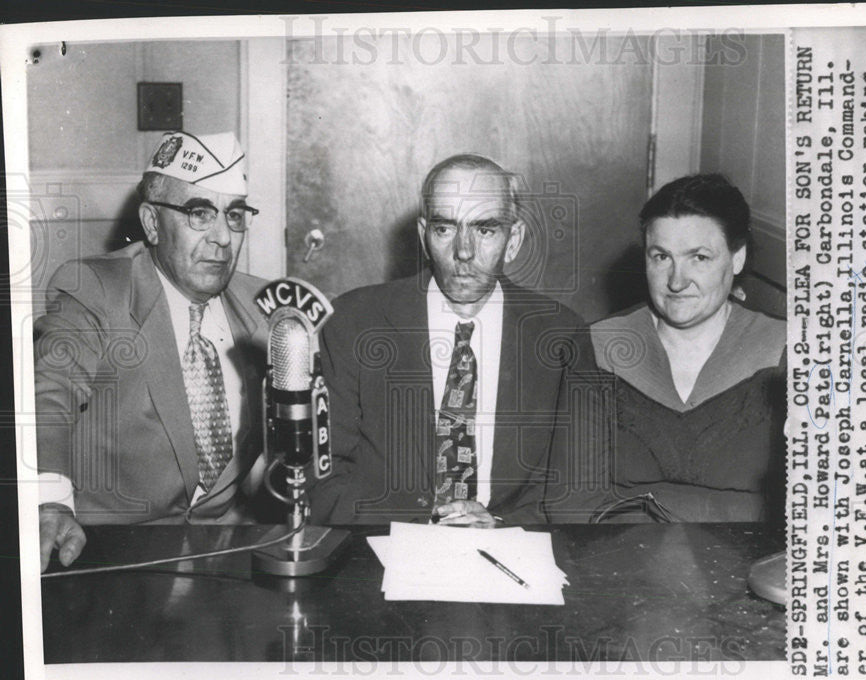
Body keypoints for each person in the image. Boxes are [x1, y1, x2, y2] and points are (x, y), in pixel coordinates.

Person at [309, 154, 608, 527]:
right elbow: (319, 478)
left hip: (512, 552)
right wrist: (423, 521)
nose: (464, 251)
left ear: (513, 240)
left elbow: (578, 491)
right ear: (423, 236)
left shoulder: (562, 336)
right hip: (383, 545)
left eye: (485, 230)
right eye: (445, 229)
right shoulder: (354, 322)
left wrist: (499, 526)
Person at [35, 131, 269, 571]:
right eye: (200, 213)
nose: (222, 237)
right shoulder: (97, 289)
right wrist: (49, 502)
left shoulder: (266, 308)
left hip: (226, 558)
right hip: (111, 559)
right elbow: (50, 391)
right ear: (151, 223)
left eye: (235, 215)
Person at [590, 174, 785, 523]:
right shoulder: (597, 347)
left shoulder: (786, 353)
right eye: (661, 257)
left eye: (699, 257)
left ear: (737, 258)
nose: (676, 281)